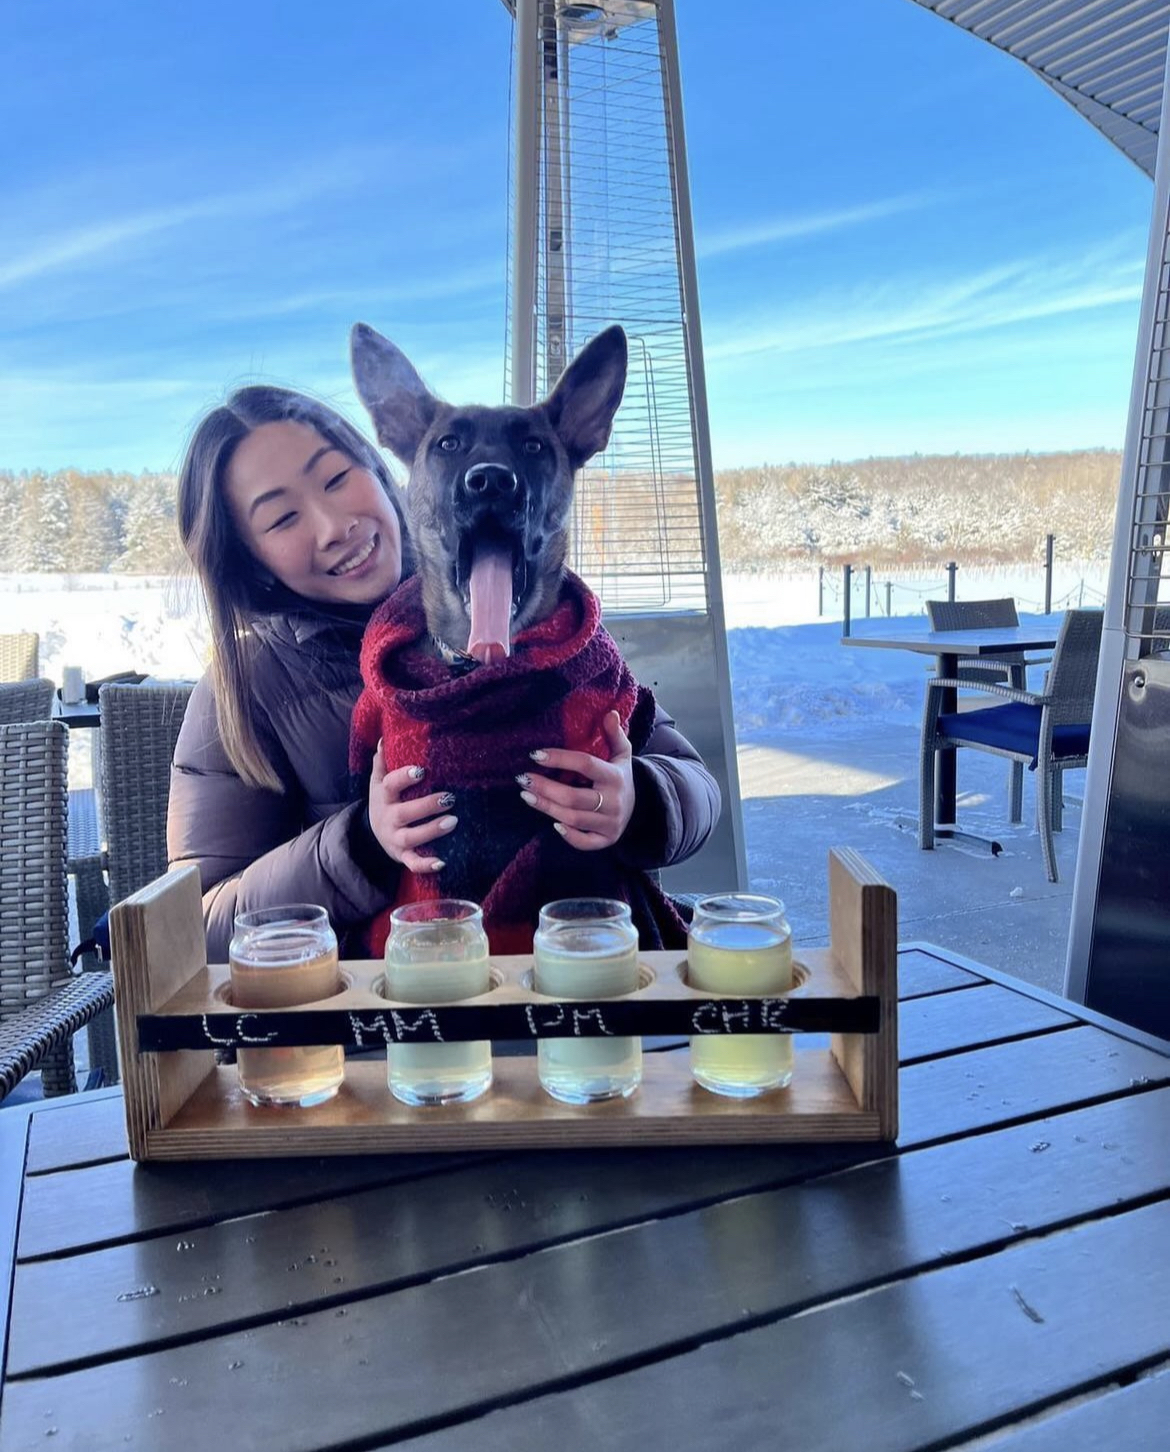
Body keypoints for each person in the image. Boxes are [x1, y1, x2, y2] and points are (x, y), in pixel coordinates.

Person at [169, 385, 722, 961]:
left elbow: (696, 786)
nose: (334, 525)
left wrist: (639, 801)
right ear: (248, 558)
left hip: (583, 976)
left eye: (336, 479)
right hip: (393, 1018)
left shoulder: (539, 614)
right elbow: (198, 922)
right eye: (282, 518)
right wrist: (361, 844)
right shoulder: (249, 687)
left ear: (386, 473)